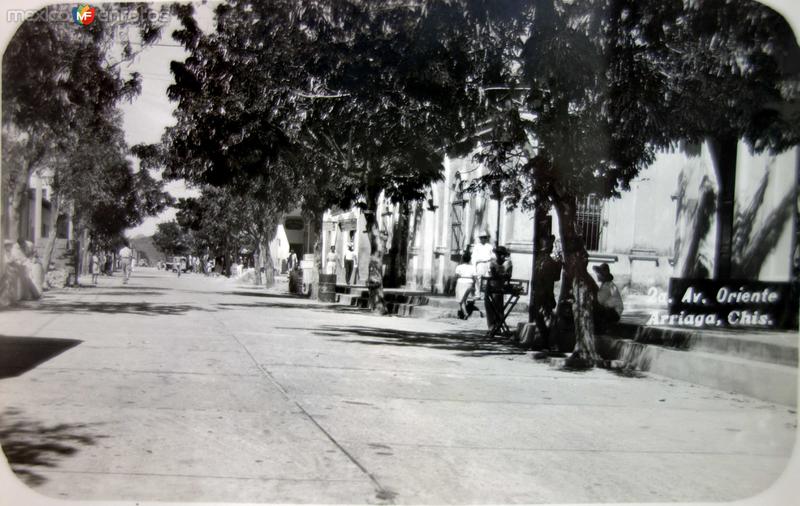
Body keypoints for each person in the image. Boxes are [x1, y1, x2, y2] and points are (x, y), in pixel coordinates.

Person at [530, 234, 562, 350]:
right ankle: (545, 342)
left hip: (539, 293)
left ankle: (543, 342)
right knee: (545, 318)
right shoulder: (548, 262)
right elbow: (552, 280)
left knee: (542, 318)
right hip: (544, 294)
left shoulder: (539, 261)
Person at [485, 245, 513, 331]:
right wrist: (502, 275)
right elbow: (494, 274)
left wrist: (503, 276)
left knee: (499, 306)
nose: (501, 256)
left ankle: (498, 325)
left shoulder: (508, 263)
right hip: (492, 286)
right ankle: (492, 326)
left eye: (502, 254)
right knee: (490, 306)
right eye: (499, 254)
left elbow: (508, 276)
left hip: (500, 286)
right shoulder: (493, 263)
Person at [593, 263, 623, 332]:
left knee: (596, 310)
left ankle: (601, 330)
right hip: (614, 311)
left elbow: (599, 300)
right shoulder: (607, 284)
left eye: (599, 274)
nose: (597, 276)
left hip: (614, 313)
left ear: (602, 276)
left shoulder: (607, 286)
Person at [455, 251, 481, 319]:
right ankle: (463, 312)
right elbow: (475, 278)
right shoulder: (472, 267)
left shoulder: (459, 267)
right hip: (469, 282)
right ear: (469, 259)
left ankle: (465, 313)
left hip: (461, 282)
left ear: (463, 259)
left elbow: (456, 276)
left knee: (461, 299)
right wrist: (474, 286)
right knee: (464, 299)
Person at [471, 230, 493, 296]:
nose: (483, 239)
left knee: (486, 280)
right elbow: (474, 257)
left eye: (484, 237)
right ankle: (478, 294)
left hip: (487, 264)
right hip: (480, 264)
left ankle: (484, 295)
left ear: (486, 238)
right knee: (478, 279)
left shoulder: (489, 246)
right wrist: (474, 267)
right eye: (482, 237)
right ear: (480, 238)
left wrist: (490, 266)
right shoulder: (477, 246)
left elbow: (492, 256)